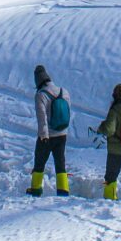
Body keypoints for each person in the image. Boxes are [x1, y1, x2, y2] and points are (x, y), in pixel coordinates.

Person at [29, 65, 72, 195]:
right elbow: (68, 112)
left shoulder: (41, 95)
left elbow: (41, 118)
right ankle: (63, 190)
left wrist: (44, 136)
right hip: (62, 133)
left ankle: (36, 189)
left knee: (39, 162)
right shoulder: (64, 91)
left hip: (47, 135)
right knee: (60, 162)